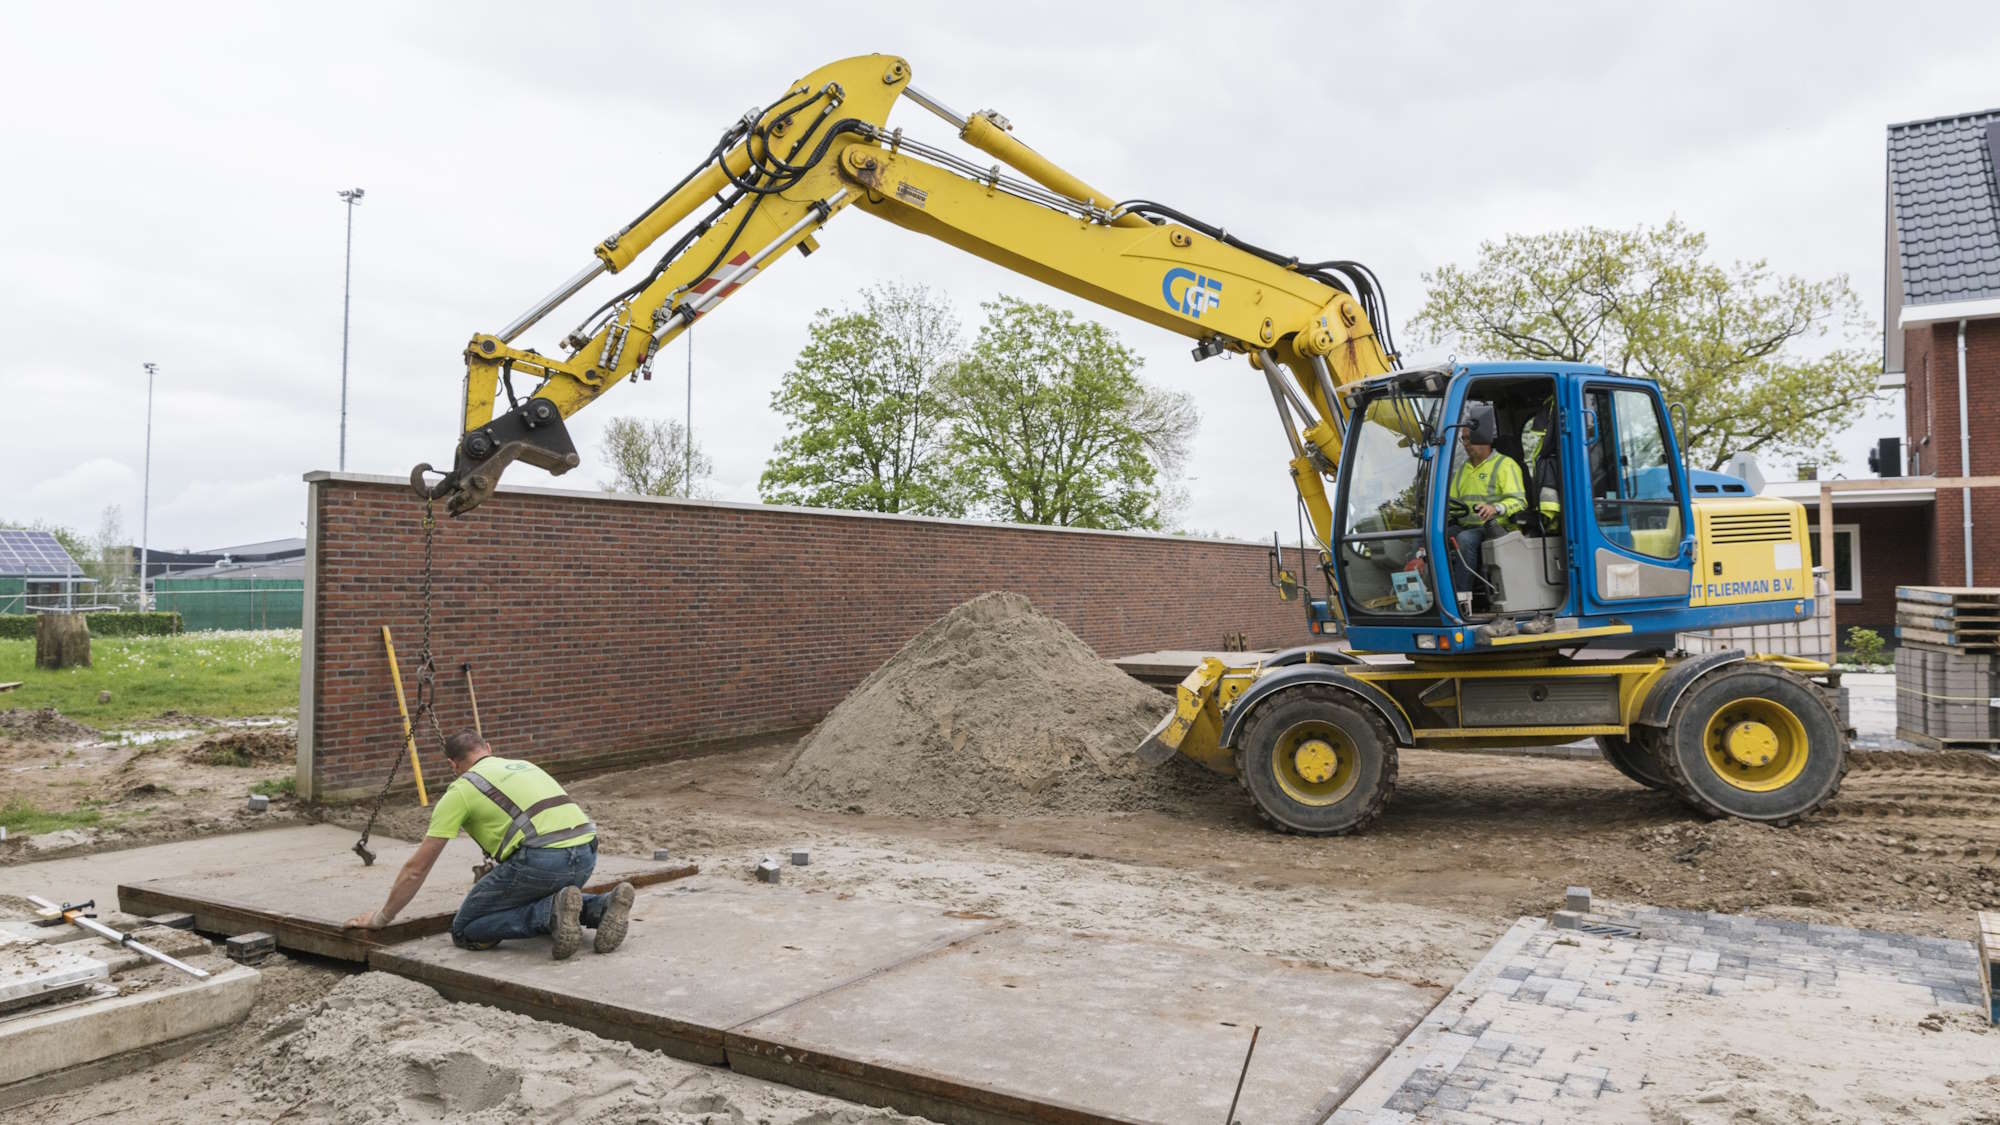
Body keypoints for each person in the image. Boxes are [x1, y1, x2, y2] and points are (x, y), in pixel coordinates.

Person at [344, 730, 635, 960]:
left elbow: (416, 869)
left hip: (541, 861)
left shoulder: (461, 790)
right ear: (489, 748)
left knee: (466, 927)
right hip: (586, 855)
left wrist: (382, 918)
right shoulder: (524, 765)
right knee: (533, 891)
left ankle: (550, 913)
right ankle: (601, 905)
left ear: (452, 765)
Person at [1447, 404, 1526, 611]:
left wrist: (1495, 508)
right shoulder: (1463, 469)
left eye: (1467, 438)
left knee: (1464, 540)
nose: (1464, 444)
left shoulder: (1505, 465)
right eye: (1462, 439)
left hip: (1496, 527)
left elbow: (1519, 501)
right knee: (1432, 536)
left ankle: (1461, 601)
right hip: (1467, 525)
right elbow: (1452, 502)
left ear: (1482, 437)